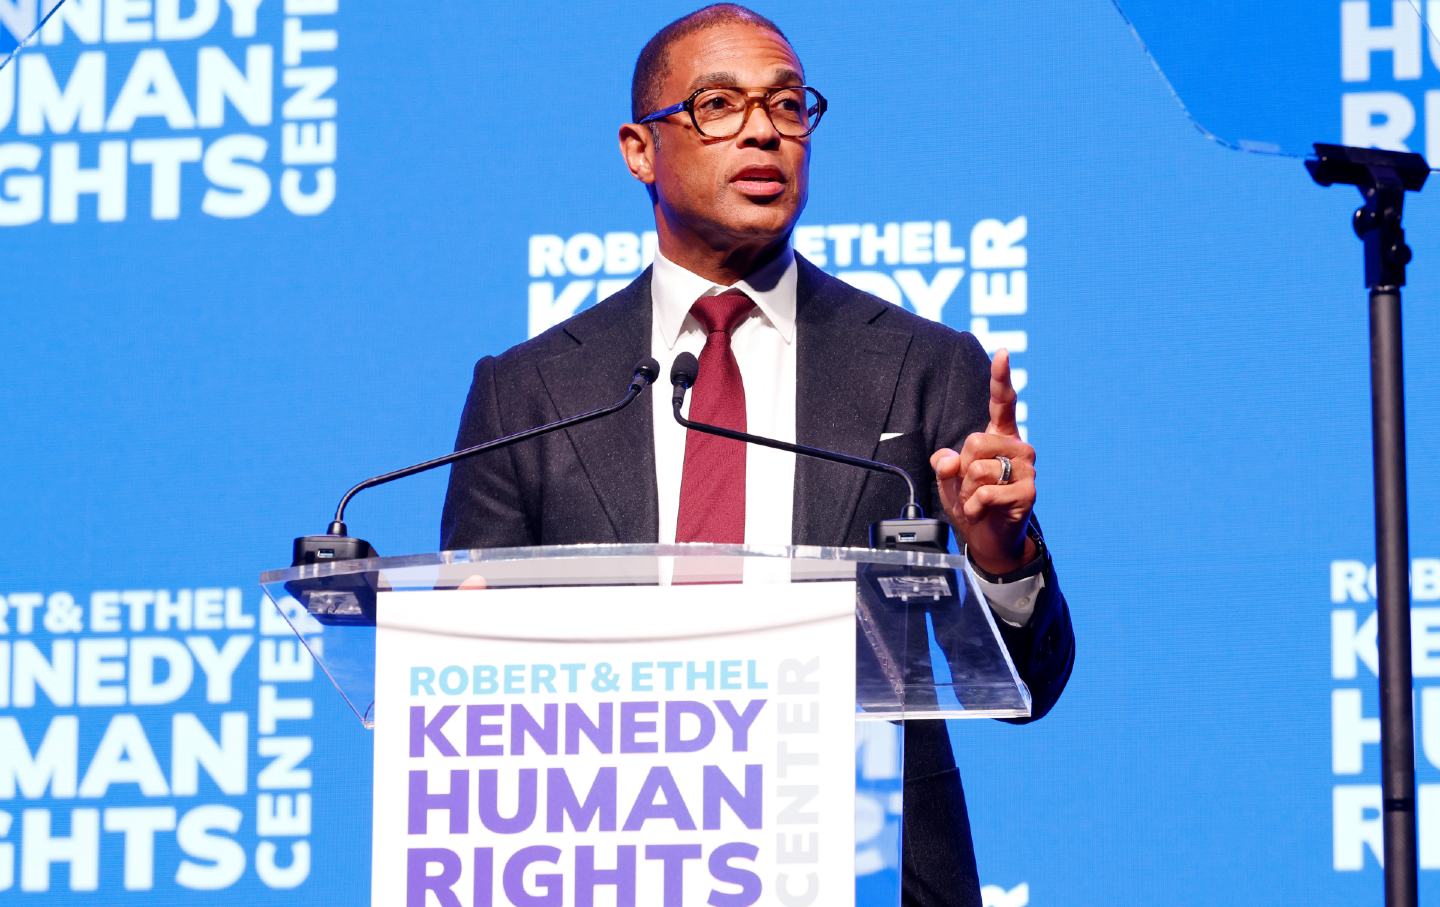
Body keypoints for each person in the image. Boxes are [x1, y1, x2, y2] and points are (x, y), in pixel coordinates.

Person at [441, 5, 1074, 905]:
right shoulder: (530, 390)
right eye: (717, 106)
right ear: (639, 150)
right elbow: (471, 697)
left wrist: (999, 556)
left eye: (786, 105)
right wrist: (462, 651)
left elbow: (1028, 687)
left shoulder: (925, 363)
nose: (763, 132)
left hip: (865, 867)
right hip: (610, 860)